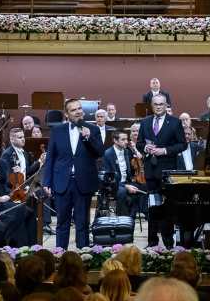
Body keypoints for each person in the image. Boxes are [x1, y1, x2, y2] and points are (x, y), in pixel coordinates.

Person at [44, 98, 106, 248]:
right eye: (73, 110)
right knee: (62, 222)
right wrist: (47, 182)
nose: (78, 111)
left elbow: (100, 152)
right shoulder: (57, 130)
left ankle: (82, 255)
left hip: (83, 181)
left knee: (82, 222)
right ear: (66, 114)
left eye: (79, 108)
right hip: (61, 181)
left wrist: (88, 137)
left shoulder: (93, 129)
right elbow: (50, 157)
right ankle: (60, 254)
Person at [138, 94, 188, 247]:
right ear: (151, 106)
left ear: (166, 105)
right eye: (155, 104)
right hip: (150, 172)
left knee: (167, 209)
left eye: (161, 104)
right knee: (152, 209)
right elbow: (139, 143)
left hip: (167, 172)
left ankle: (168, 243)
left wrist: (164, 150)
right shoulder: (145, 122)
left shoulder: (175, 122)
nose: (158, 107)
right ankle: (152, 242)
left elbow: (182, 144)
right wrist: (146, 148)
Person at [101, 131, 140, 217]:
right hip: (113, 184)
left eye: (126, 139)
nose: (126, 141)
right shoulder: (107, 154)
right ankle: (123, 219)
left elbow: (132, 171)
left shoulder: (127, 152)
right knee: (122, 192)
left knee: (142, 187)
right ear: (115, 140)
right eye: (123, 139)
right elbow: (107, 177)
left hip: (127, 181)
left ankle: (132, 218)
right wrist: (125, 186)